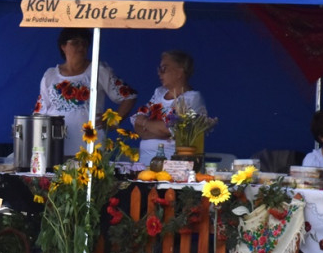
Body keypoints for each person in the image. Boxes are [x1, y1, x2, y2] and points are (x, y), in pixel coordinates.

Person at [35, 28, 137, 156]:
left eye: (84, 43)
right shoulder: (50, 75)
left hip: (89, 147)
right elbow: (40, 112)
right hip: (55, 148)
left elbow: (129, 96)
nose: (81, 46)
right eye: (75, 42)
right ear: (63, 46)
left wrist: (112, 122)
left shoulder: (98, 71)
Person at [130, 50, 206, 159]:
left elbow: (174, 130)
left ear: (179, 73)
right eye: (159, 69)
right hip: (145, 162)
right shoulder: (158, 92)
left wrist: (146, 123)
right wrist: (160, 130)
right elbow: (136, 120)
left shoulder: (192, 98)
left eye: (164, 68)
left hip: (171, 163)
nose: (159, 73)